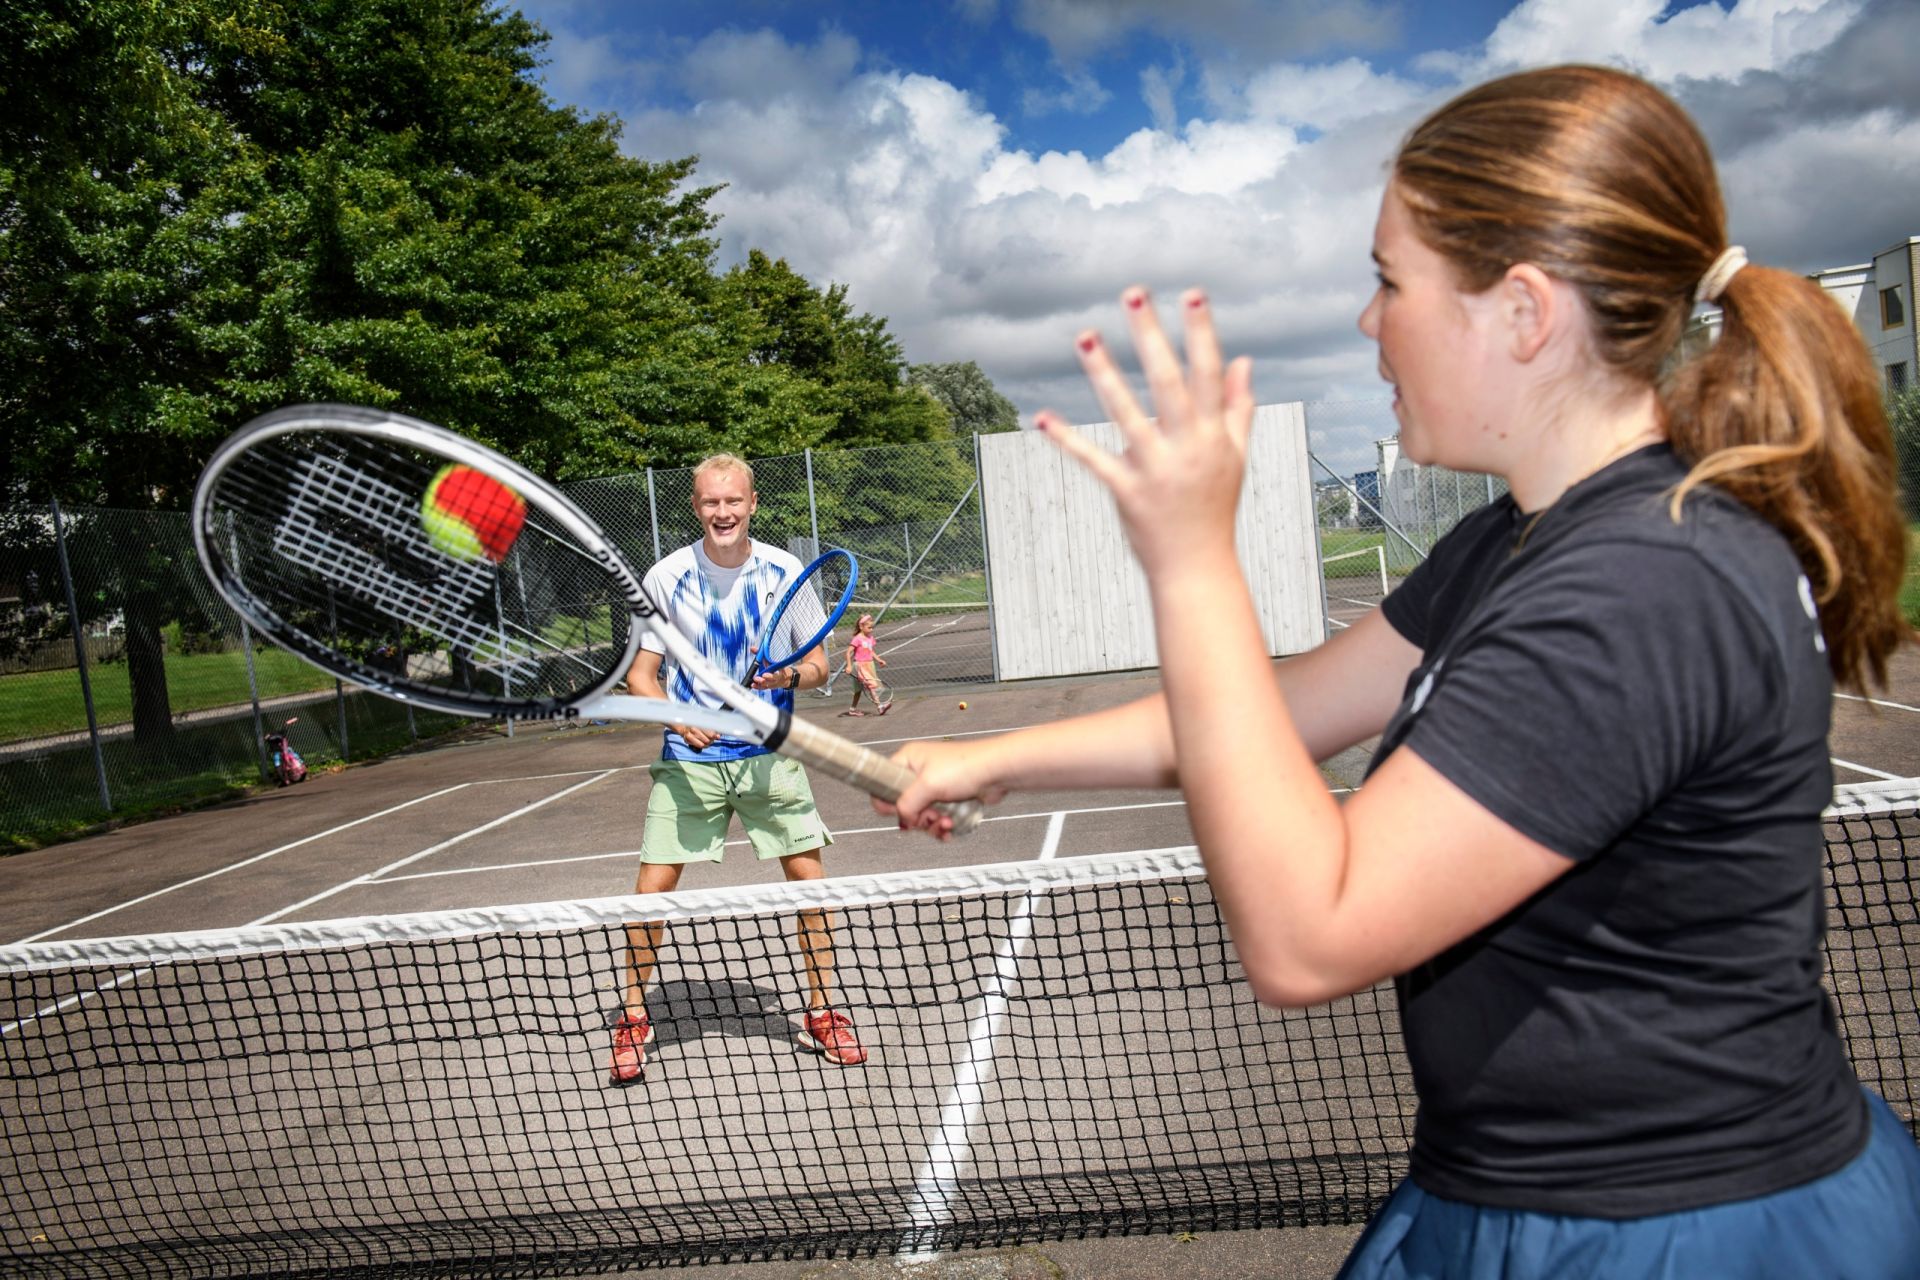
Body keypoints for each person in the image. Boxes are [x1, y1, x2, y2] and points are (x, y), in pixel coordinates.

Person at [882, 64, 1920, 1277]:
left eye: (1390, 281)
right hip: (1536, 1192)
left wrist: (1192, 563)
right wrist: (992, 756)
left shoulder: (1644, 584)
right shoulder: (1524, 536)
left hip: (1676, 1228)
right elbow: (1271, 718)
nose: (1370, 322)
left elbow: (1309, 935)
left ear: (1524, 311)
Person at [610, 452, 868, 1085]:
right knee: (651, 892)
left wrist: (787, 675)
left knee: (810, 881)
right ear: (695, 508)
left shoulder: (786, 573)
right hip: (691, 760)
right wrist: (674, 718)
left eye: (732, 501)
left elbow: (819, 670)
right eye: (709, 502)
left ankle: (821, 1009)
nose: (721, 512)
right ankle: (634, 1017)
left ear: (752, 504)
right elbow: (641, 678)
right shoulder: (665, 578)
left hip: (768, 756)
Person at [838, 614, 890, 716]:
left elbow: (871, 651)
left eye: (872, 628)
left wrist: (879, 660)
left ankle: (852, 710)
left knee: (858, 690)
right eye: (869, 627)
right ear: (861, 627)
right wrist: (849, 666)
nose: (871, 630)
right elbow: (848, 653)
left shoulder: (870, 638)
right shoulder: (857, 639)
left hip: (869, 665)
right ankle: (880, 707)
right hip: (860, 666)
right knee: (872, 685)